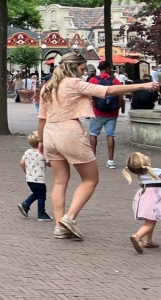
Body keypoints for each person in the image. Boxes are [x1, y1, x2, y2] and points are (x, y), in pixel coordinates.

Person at [37, 52, 157, 241]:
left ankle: (59, 226)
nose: (84, 72)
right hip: (69, 132)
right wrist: (143, 85)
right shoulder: (74, 83)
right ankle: (69, 218)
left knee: (60, 181)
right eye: (82, 69)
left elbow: (41, 119)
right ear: (73, 67)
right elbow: (109, 90)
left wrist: (41, 142)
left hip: (50, 133)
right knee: (90, 179)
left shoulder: (47, 87)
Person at [125, 152, 161, 253]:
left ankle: (148, 241)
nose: (147, 156)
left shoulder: (140, 174)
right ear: (146, 163)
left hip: (144, 198)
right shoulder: (156, 172)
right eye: (145, 156)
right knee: (149, 224)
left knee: (150, 221)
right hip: (154, 200)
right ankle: (137, 236)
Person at [87, 61, 120, 170]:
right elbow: (120, 96)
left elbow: (89, 96)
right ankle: (111, 161)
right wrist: (117, 108)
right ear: (108, 68)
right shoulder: (115, 81)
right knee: (110, 135)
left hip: (97, 112)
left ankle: (93, 160)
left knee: (93, 134)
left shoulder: (93, 80)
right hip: (112, 113)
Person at [18, 132, 51, 221]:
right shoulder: (43, 153)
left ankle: (26, 204)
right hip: (39, 179)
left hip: (29, 178)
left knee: (37, 194)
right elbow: (49, 164)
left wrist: (26, 172)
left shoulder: (28, 152)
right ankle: (41, 213)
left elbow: (22, 162)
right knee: (41, 196)